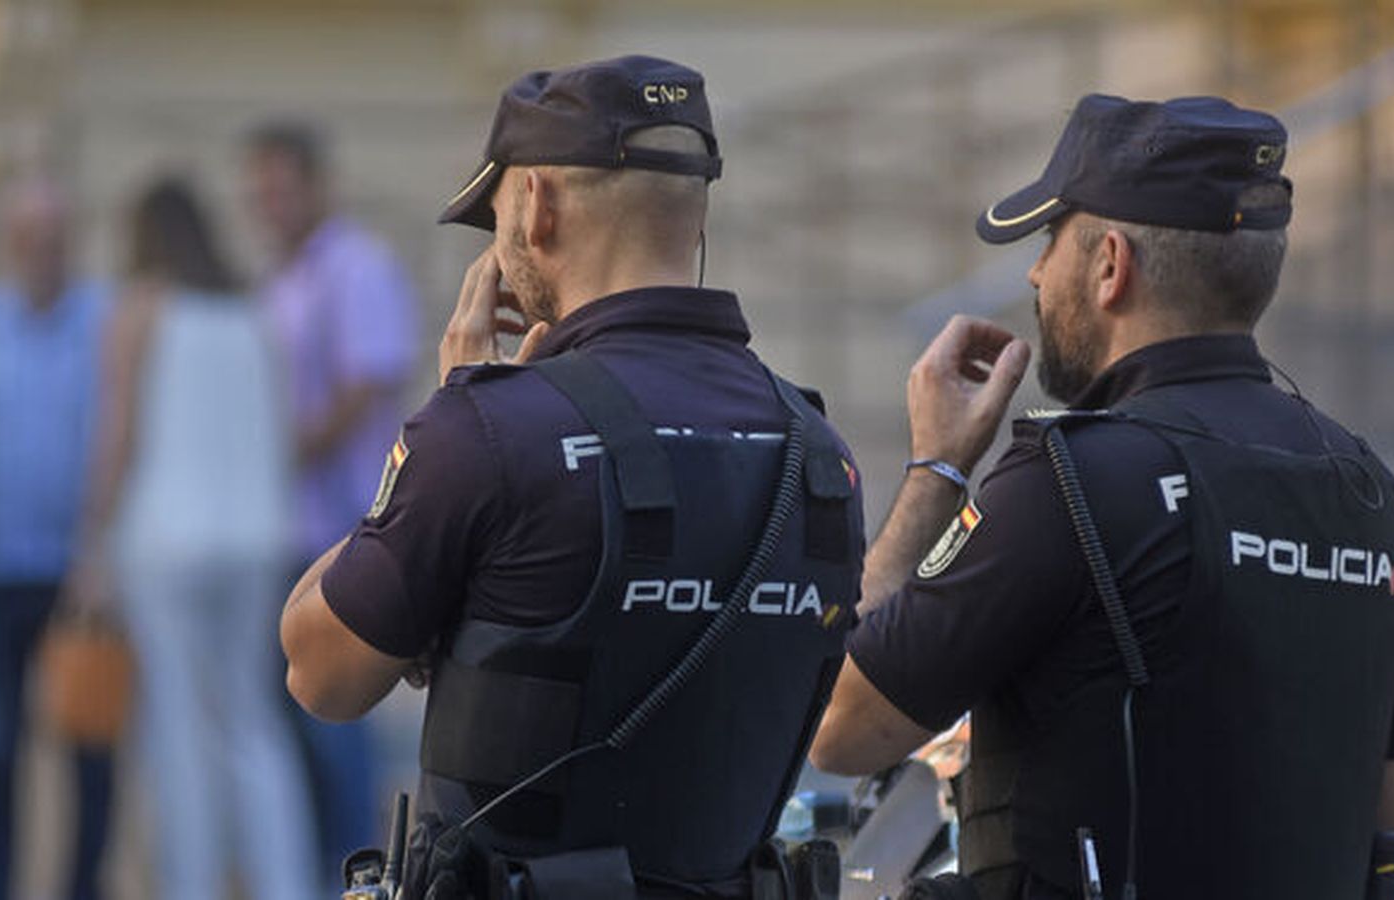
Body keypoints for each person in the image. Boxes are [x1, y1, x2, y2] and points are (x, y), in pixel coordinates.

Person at [809, 95, 1394, 900]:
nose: (1036, 273)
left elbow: (843, 726)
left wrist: (938, 468)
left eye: (1048, 243)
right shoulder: (1374, 495)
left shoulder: (1070, 483)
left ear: (1110, 264)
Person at [279, 55, 865, 899]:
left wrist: (452, 416)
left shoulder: (487, 430)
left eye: (498, 214)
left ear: (537, 204)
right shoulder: (819, 453)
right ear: (694, 217)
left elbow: (318, 672)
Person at [67, 177, 317, 899]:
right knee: (253, 721)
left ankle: (193, 884)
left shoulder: (140, 307)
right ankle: (285, 884)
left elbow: (117, 436)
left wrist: (91, 543)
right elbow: (279, 429)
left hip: (166, 544)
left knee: (177, 727)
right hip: (256, 540)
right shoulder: (253, 308)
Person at [246, 120, 417, 876]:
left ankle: (356, 875)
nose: (269, 204)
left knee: (336, 725)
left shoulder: (356, 266)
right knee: (292, 725)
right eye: (260, 191)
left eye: (283, 188)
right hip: (283, 531)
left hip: (343, 531)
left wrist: (279, 451)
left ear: (317, 186)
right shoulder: (280, 279)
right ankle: (318, 872)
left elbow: (366, 384)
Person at [0, 177, 114, 900]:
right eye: (28, 239)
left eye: (54, 240)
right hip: (1, 574)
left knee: (91, 747)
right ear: (10, 246)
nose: (42, 253)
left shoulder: (105, 323)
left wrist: (101, 553)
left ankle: (82, 889)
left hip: (81, 578)